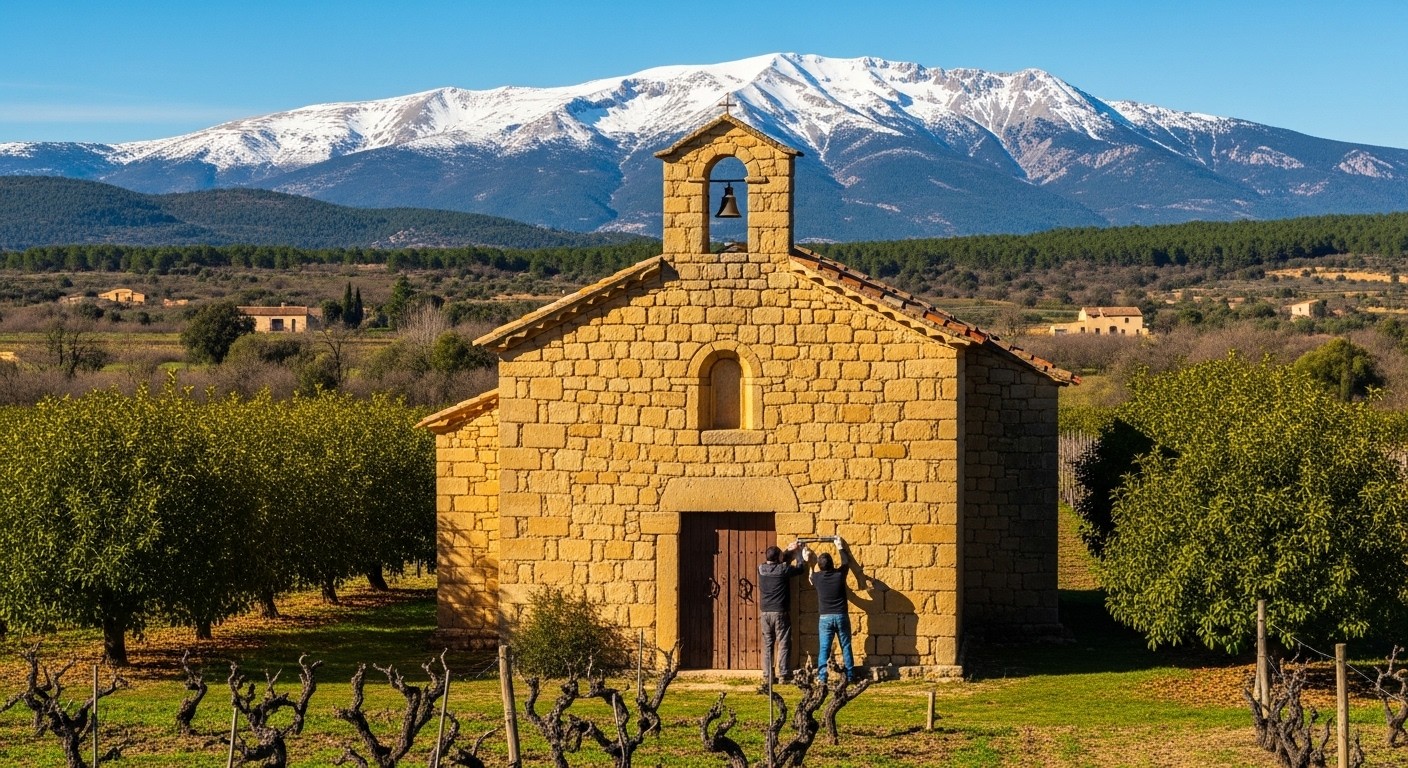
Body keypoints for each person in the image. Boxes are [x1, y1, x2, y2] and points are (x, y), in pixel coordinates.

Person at [808, 535, 858, 684]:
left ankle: (822, 677)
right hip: (841, 615)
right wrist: (840, 547)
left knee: (824, 647)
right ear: (832, 564)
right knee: (846, 645)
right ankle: (850, 675)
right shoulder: (839, 575)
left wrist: (808, 561)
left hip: (825, 618)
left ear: (820, 566)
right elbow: (845, 562)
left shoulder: (817, 578)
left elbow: (810, 577)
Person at [758, 540, 805, 685]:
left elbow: (779, 560)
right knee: (783, 641)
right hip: (780, 612)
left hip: (765, 612)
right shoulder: (783, 570)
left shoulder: (761, 569)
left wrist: (787, 550)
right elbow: (800, 569)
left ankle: (768, 675)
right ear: (778, 558)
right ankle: (784, 674)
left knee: (768, 643)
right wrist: (799, 555)